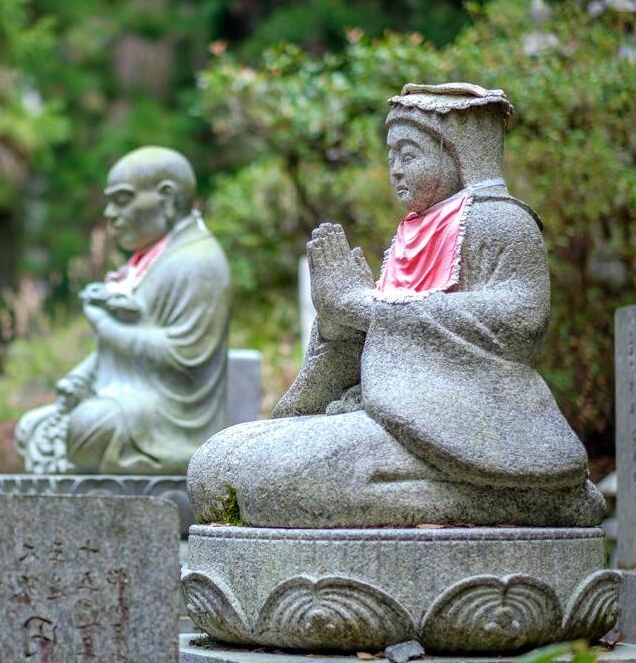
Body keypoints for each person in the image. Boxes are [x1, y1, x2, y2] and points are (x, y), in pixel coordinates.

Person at [188, 83, 604, 528]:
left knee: (282, 480)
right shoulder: (411, 235)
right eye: (391, 157)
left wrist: (368, 307)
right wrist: (337, 323)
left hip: (469, 419)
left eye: (409, 155)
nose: (396, 171)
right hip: (381, 408)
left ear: (456, 154)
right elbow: (370, 334)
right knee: (215, 465)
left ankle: (511, 498)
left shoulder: (500, 221)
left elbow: (521, 320)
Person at [16, 146, 231, 474]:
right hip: (126, 396)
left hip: (172, 417)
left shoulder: (198, 261)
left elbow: (185, 354)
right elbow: (117, 354)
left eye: (122, 200)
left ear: (167, 198)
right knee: (31, 427)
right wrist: (80, 379)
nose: (110, 213)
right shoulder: (148, 262)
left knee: (90, 426)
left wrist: (105, 326)